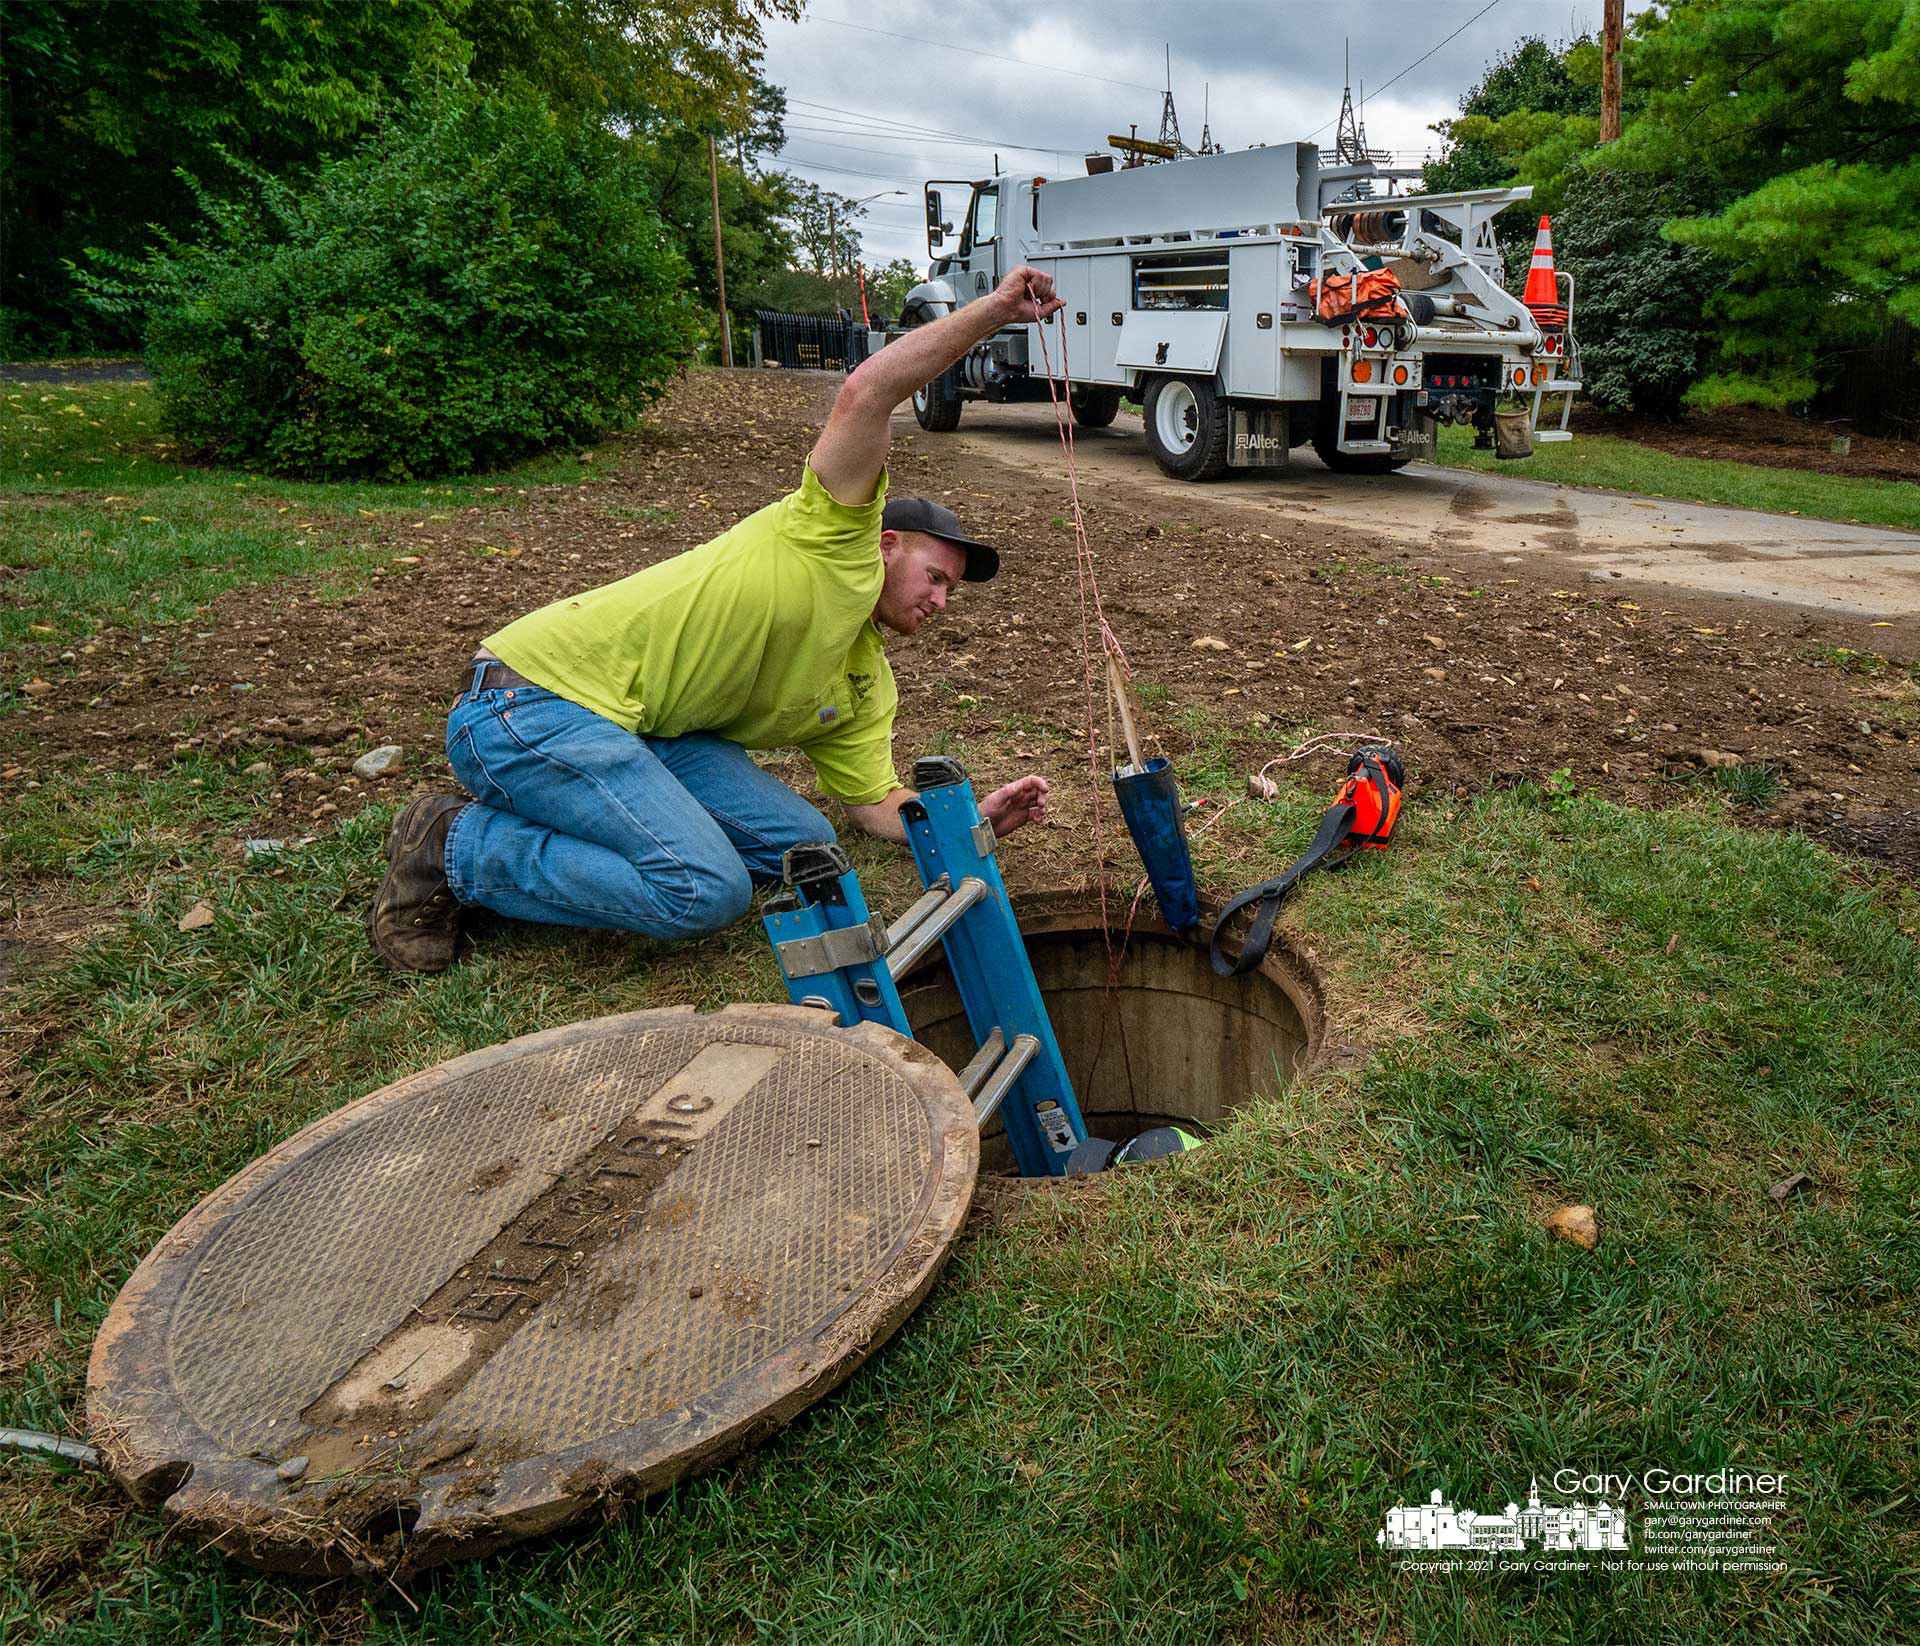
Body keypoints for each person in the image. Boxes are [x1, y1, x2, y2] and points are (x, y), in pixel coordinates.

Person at [367, 264, 1066, 974]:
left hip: (649, 731)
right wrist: (992, 313)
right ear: (885, 545)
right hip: (529, 703)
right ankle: (454, 846)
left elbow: (876, 803)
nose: (942, 602)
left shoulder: (863, 682)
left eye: (952, 591)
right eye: (936, 577)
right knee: (705, 889)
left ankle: (602, 819)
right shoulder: (833, 540)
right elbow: (868, 392)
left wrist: (971, 823)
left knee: (803, 844)